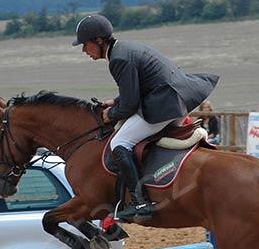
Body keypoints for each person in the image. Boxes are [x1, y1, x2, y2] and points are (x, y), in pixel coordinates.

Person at [73, 14, 219, 220]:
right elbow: (139, 87)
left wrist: (111, 115)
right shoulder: (125, 48)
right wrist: (115, 101)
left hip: (165, 105)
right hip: (175, 98)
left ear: (98, 40)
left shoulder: (118, 59)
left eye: (84, 44)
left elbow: (130, 104)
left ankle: (140, 202)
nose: (83, 50)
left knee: (119, 143)